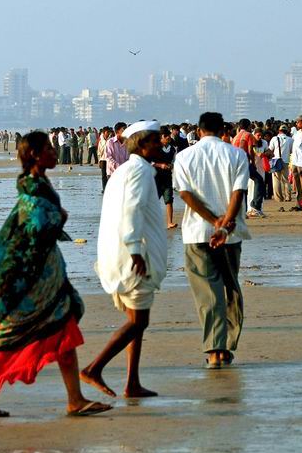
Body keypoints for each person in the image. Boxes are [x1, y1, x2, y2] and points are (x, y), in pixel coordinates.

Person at [0, 132, 112, 418]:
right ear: (34, 155)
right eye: (48, 149)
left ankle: (75, 399)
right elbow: (35, 227)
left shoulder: (39, 184)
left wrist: (56, 216)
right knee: (10, 337)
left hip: (46, 277)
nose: (55, 153)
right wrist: (59, 217)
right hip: (30, 280)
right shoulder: (32, 187)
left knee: (63, 328)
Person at [83, 120, 168, 399]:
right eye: (156, 141)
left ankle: (132, 382)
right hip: (134, 257)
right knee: (139, 322)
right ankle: (94, 368)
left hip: (124, 254)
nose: (162, 144)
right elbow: (129, 212)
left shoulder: (129, 170)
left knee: (137, 321)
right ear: (143, 145)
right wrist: (134, 250)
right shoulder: (139, 173)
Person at [173, 112, 249, 369]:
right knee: (230, 289)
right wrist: (225, 222)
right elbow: (238, 193)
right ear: (222, 129)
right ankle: (224, 345)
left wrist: (212, 220)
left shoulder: (184, 156)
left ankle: (215, 349)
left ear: (199, 130)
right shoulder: (236, 154)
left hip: (196, 233)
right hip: (230, 235)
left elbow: (185, 194)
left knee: (207, 294)